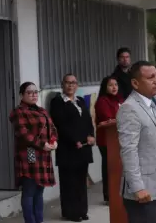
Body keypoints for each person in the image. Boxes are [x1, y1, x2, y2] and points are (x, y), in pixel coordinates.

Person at [117, 61, 156, 223]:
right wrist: (138, 187)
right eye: (150, 77)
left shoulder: (151, 104)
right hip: (142, 190)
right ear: (135, 83)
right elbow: (128, 151)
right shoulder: (129, 108)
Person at [9, 82, 58, 223]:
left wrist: (54, 141)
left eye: (35, 92)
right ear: (21, 95)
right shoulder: (18, 112)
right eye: (29, 92)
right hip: (29, 155)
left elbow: (52, 128)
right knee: (29, 191)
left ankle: (39, 220)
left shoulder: (42, 110)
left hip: (44, 155)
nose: (33, 95)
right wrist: (43, 144)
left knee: (39, 192)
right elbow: (24, 134)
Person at [50, 74, 96, 222]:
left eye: (73, 83)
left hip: (83, 147)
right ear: (62, 85)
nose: (71, 85)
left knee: (81, 181)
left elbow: (88, 121)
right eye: (67, 83)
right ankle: (71, 212)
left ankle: (82, 210)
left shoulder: (80, 100)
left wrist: (90, 135)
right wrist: (74, 140)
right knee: (69, 181)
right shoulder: (57, 102)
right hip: (67, 148)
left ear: (77, 85)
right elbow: (60, 125)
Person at [94, 76, 124, 204]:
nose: (114, 87)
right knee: (109, 167)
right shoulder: (102, 101)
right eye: (111, 85)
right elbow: (108, 119)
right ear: (105, 87)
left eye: (116, 84)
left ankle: (119, 193)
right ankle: (108, 195)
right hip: (107, 140)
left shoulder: (120, 99)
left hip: (120, 139)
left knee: (119, 168)